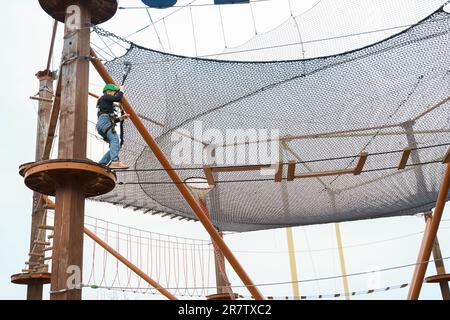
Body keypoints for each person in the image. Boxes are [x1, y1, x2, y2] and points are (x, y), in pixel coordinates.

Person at [96, 84, 130, 169]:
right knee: (115, 139)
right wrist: (121, 90)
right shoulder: (105, 97)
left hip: (103, 125)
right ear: (108, 92)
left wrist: (121, 118)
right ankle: (115, 161)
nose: (114, 96)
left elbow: (112, 120)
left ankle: (102, 164)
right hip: (104, 123)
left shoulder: (105, 106)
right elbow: (118, 98)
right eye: (114, 93)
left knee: (115, 145)